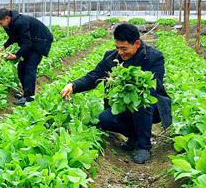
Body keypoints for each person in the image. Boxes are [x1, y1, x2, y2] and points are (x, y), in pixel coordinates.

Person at [60, 23, 172, 164]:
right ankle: (135, 136)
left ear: (137, 43)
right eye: (117, 47)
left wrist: (129, 85)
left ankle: (143, 146)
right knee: (104, 119)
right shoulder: (110, 57)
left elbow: (154, 85)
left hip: (150, 106)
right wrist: (73, 85)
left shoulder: (154, 57)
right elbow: (94, 76)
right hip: (121, 104)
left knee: (142, 103)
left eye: (124, 48)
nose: (120, 52)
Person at [0, 8, 54, 106]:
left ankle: (29, 98)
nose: (1, 26)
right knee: (21, 68)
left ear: (7, 18)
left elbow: (27, 42)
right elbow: (13, 37)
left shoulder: (21, 22)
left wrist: (16, 55)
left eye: (1, 23)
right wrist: (3, 47)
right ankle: (26, 94)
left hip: (41, 41)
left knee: (29, 68)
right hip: (31, 41)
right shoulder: (10, 24)